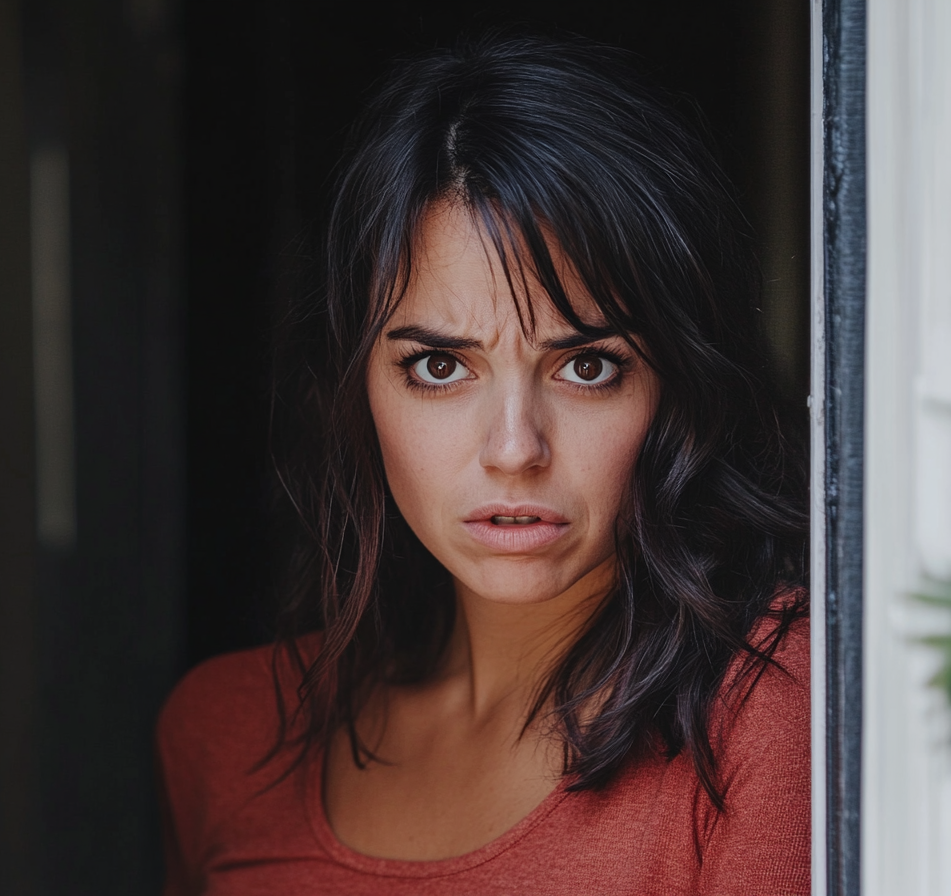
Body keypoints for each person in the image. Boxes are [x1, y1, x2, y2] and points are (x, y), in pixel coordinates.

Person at [156, 35, 809, 895]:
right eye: (440, 366)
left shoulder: (774, 702)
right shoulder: (230, 732)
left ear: (679, 389)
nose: (513, 449)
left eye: (587, 366)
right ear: (357, 390)